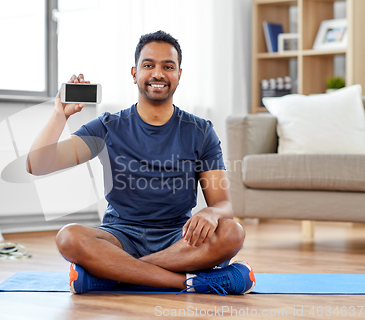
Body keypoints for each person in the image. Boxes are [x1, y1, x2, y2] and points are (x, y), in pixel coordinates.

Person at [26, 30, 255, 295]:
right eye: (148, 65)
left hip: (178, 238)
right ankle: (192, 282)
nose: (158, 74)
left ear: (179, 74)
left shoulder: (200, 130)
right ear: (134, 73)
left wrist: (211, 213)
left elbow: (223, 205)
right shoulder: (107, 127)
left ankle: (114, 274)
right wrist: (59, 115)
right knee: (68, 237)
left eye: (168, 66)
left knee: (232, 232)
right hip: (119, 236)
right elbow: (38, 165)